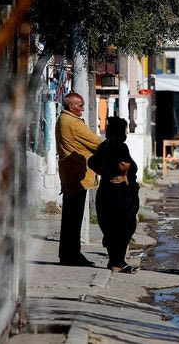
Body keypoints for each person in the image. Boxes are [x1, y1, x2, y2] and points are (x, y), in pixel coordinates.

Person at [88, 117, 140, 274]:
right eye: (125, 129)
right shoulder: (120, 147)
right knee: (124, 227)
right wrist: (122, 175)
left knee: (111, 227)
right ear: (121, 132)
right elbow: (124, 165)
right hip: (121, 193)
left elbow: (92, 162)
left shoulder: (104, 146)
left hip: (106, 190)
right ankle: (117, 263)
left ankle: (115, 261)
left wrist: (105, 173)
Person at [56, 92, 102, 266]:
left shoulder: (63, 119)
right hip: (77, 175)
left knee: (71, 218)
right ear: (71, 106)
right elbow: (96, 143)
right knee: (73, 219)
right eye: (80, 105)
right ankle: (72, 255)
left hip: (70, 174)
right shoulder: (73, 123)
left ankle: (68, 254)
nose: (83, 108)